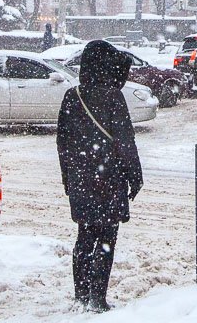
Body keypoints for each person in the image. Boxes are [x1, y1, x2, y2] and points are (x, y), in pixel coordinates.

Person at [56, 40, 143, 313]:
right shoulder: (112, 96)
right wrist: (135, 175)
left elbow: (62, 143)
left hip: (81, 178)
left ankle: (81, 295)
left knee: (84, 237)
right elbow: (125, 141)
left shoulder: (72, 96)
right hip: (109, 179)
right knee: (106, 237)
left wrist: (68, 177)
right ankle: (98, 298)